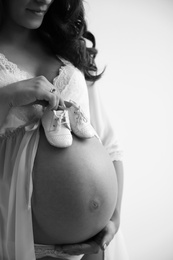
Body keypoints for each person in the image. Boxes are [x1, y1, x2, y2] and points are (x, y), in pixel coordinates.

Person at [0, 0, 125, 260]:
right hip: (15, 239)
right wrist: (6, 97)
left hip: (94, 246)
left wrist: (113, 219)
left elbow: (109, 144)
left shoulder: (67, 48)